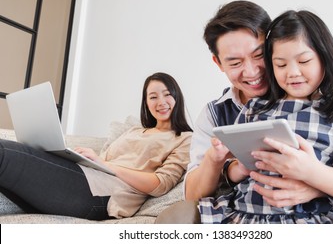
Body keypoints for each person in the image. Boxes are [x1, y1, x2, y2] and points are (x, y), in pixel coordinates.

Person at [198, 10, 333, 223]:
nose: (292, 72)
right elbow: (232, 173)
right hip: (251, 215)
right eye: (280, 64)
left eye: (304, 61)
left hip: (312, 214)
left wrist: (313, 173)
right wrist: (236, 168)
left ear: (324, 58)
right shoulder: (256, 107)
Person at [0, 72, 193, 220]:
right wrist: (88, 158)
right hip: (87, 177)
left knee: (3, 154)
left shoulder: (184, 138)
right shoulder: (134, 131)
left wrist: (109, 166)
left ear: (177, 97)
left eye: (167, 95)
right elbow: (103, 162)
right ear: (146, 103)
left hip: (105, 196)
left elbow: (160, 185)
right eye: (153, 97)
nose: (161, 102)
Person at [184, 0, 322, 206]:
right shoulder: (215, 114)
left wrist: (317, 187)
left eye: (259, 55)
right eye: (235, 63)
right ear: (218, 63)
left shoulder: (311, 97)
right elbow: (191, 196)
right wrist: (216, 159)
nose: (252, 71)